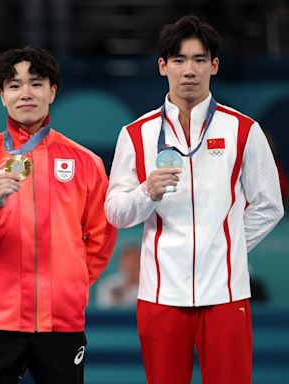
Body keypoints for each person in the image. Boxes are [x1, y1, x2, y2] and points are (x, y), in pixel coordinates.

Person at [105, 15, 284, 384]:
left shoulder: (244, 130)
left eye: (200, 60)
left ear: (214, 66)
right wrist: (145, 193)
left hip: (226, 293)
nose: (189, 70)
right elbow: (115, 212)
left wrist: (225, 247)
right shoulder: (135, 134)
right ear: (162, 66)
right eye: (179, 60)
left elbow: (270, 204)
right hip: (160, 294)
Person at [0, 46, 117, 384]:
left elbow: (101, 236)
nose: (26, 93)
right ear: (1, 96)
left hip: (61, 321)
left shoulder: (85, 163)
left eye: (36, 84)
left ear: (52, 92)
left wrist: (70, 284)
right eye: (14, 85)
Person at [96, 244, 140, 308]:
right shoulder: (108, 285)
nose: (131, 265)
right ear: (121, 263)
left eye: (135, 261)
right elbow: (103, 310)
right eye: (128, 261)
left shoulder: (148, 287)